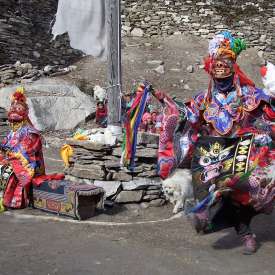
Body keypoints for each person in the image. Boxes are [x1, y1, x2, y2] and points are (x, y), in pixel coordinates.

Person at [181, 31, 275, 254]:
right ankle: (228, 226)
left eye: (226, 62)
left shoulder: (250, 95)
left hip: (241, 151)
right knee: (208, 187)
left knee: (242, 196)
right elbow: (190, 126)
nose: (221, 67)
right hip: (213, 152)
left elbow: (267, 117)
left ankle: (246, 232)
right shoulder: (201, 98)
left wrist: (264, 133)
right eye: (217, 63)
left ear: (234, 66)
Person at [0, 87, 45, 209]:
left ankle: (9, 200)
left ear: (24, 113)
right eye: (13, 109)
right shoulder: (13, 130)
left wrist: (10, 153)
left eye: (18, 109)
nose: (14, 111)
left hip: (28, 163)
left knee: (8, 171)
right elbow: (6, 143)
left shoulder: (31, 132)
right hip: (12, 157)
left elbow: (27, 149)